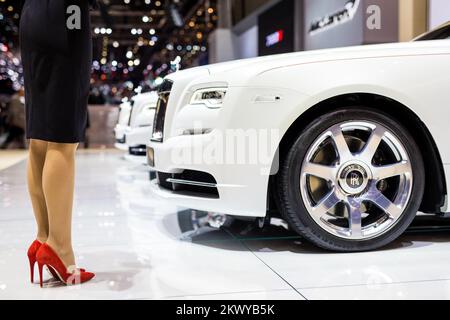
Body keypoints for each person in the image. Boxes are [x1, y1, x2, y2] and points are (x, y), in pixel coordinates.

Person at [20, 0, 97, 287]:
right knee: (63, 140)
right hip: (68, 13)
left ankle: (44, 238)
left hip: (32, 14)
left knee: (40, 137)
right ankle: (60, 248)